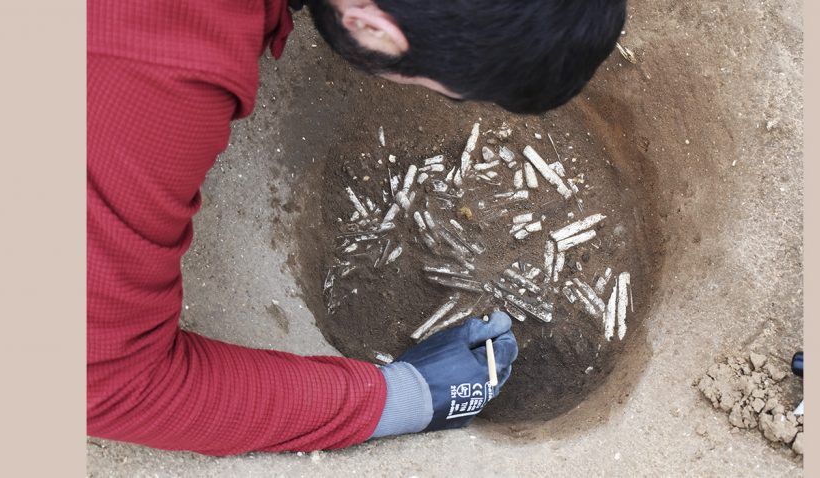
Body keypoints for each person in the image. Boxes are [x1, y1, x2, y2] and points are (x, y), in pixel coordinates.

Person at [88, 0, 627, 455]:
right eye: (440, 87)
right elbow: (104, 384)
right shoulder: (150, 81)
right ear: (371, 26)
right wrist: (399, 397)